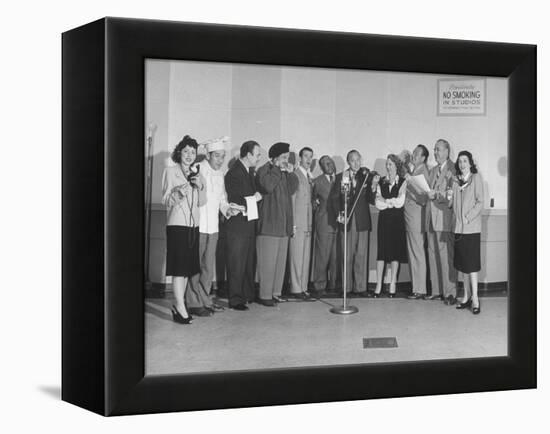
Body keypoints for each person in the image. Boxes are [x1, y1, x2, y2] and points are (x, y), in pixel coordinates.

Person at [185, 136, 238, 316]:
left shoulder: (220, 174)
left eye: (223, 156)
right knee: (195, 266)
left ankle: (205, 299)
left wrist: (228, 210)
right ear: (208, 155)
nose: (220, 160)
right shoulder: (197, 169)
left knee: (208, 267)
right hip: (198, 226)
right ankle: (193, 302)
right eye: (217, 156)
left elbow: (222, 199)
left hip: (213, 227)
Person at [161, 135, 206, 324]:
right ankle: (180, 306)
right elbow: (165, 200)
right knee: (179, 269)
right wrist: (179, 191)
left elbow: (202, 202)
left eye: (193, 152)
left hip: (193, 226)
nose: (189, 155)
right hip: (177, 225)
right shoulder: (171, 172)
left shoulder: (198, 173)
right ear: (179, 153)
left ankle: (181, 305)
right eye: (186, 151)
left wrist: (199, 186)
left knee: (187, 269)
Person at [256, 142, 299, 306]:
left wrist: (290, 174)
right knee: (268, 262)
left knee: (280, 262)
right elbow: (267, 186)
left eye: (287, 158)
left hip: (283, 225)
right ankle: (265, 295)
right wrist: (277, 169)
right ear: (274, 158)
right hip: (269, 224)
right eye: (283, 158)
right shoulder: (264, 171)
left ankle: (275, 292)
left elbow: (292, 189)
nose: (286, 161)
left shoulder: (282, 172)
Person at [329, 150, 377, 296]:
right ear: (348, 162)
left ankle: (361, 288)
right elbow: (334, 198)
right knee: (346, 255)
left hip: (362, 220)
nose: (356, 163)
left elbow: (370, 198)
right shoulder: (341, 177)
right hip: (347, 220)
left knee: (361, 255)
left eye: (358, 160)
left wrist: (373, 186)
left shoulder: (366, 177)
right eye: (352, 160)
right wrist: (340, 214)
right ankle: (346, 287)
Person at [224, 140, 262, 311]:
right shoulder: (234, 173)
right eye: (257, 154)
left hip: (248, 224)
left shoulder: (248, 171)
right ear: (248, 155)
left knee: (247, 262)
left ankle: (246, 294)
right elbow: (235, 199)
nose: (259, 158)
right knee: (237, 263)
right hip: (237, 226)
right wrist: (256, 198)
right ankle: (235, 299)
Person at [449, 151, 484, 314]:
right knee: (463, 265)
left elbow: (480, 202)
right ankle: (466, 296)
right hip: (458, 228)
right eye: (460, 161)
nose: (462, 164)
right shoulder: (456, 181)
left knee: (472, 265)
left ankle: (475, 298)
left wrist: (468, 218)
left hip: (471, 228)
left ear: (470, 163)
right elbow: (452, 204)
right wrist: (450, 195)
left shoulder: (476, 178)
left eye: (465, 161)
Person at [425, 139, 458, 305]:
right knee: (433, 254)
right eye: (434, 150)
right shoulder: (433, 170)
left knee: (446, 256)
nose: (435, 153)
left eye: (438, 150)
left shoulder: (453, 169)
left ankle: (450, 293)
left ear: (447, 151)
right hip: (431, 218)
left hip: (444, 218)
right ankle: (437, 290)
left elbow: (453, 195)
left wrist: (437, 195)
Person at [373, 154, 408, 297]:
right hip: (384, 220)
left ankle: (393, 283)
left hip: (397, 221)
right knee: (382, 253)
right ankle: (379, 284)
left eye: (391, 164)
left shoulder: (403, 181)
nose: (388, 167)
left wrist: (386, 200)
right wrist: (390, 201)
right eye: (387, 164)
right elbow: (378, 204)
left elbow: (401, 202)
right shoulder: (381, 181)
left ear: (397, 166)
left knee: (395, 253)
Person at [404, 145, 431, 299]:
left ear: (423, 157)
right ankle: (417, 287)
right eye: (413, 152)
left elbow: (423, 197)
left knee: (417, 252)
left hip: (416, 217)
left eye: (416, 153)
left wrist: (411, 182)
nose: (413, 155)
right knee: (413, 252)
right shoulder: (416, 171)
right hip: (410, 217)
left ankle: (420, 289)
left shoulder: (422, 172)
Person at [311, 156, 339, 296]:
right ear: (321, 168)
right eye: (326, 164)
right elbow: (312, 201)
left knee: (336, 257)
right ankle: (319, 285)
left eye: (331, 162)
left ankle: (334, 284)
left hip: (339, 224)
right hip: (323, 223)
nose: (330, 165)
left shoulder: (340, 179)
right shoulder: (317, 182)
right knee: (322, 255)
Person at [289, 146, 314, 299]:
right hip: (297, 223)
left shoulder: (308, 177)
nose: (309, 160)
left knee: (305, 258)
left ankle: (303, 287)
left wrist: (310, 223)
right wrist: (292, 223)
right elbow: (291, 201)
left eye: (311, 157)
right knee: (296, 257)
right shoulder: (295, 175)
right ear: (300, 158)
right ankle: (296, 288)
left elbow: (309, 203)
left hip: (307, 223)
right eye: (306, 156)